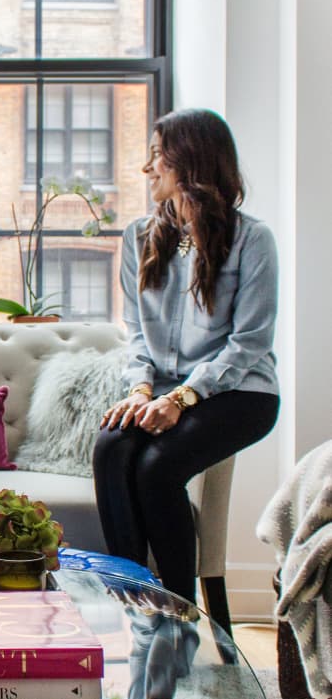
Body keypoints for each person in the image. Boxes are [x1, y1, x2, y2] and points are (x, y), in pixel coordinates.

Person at [92, 108, 280, 607]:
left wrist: (185, 395)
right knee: (111, 447)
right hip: (162, 388)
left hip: (238, 393)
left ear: (189, 161)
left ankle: (178, 615)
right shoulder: (138, 237)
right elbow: (136, 333)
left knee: (158, 468)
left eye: (156, 155)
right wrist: (140, 389)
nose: (146, 168)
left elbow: (251, 341)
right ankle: (132, 602)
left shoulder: (252, 240)